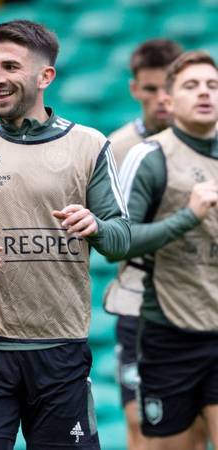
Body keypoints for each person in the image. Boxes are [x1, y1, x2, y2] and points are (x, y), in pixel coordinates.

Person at [0, 20, 130, 450]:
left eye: (10, 67)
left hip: (60, 352)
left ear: (45, 76)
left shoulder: (90, 145)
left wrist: (96, 227)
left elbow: (121, 239)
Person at [118, 50, 218, 450]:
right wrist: (188, 216)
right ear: (169, 101)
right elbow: (117, 243)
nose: (205, 93)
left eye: (212, 85)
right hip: (167, 327)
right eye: (192, 86)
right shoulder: (144, 154)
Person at [103, 38, 189, 450]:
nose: (162, 99)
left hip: (199, 303)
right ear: (135, 89)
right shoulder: (114, 148)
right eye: (151, 89)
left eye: (169, 88)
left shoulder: (207, 146)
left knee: (196, 431)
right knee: (140, 425)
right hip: (139, 304)